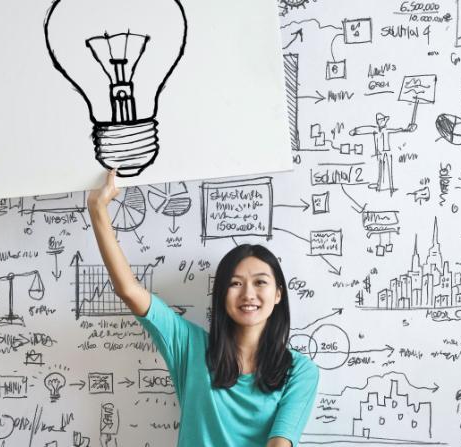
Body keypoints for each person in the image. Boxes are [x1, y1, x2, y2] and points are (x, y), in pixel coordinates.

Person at [88, 169, 319, 447]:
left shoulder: (299, 370)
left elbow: (280, 444)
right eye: (235, 283)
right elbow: (129, 290)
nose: (248, 294)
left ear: (278, 294)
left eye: (260, 282)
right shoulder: (190, 347)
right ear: (222, 294)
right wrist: (98, 208)